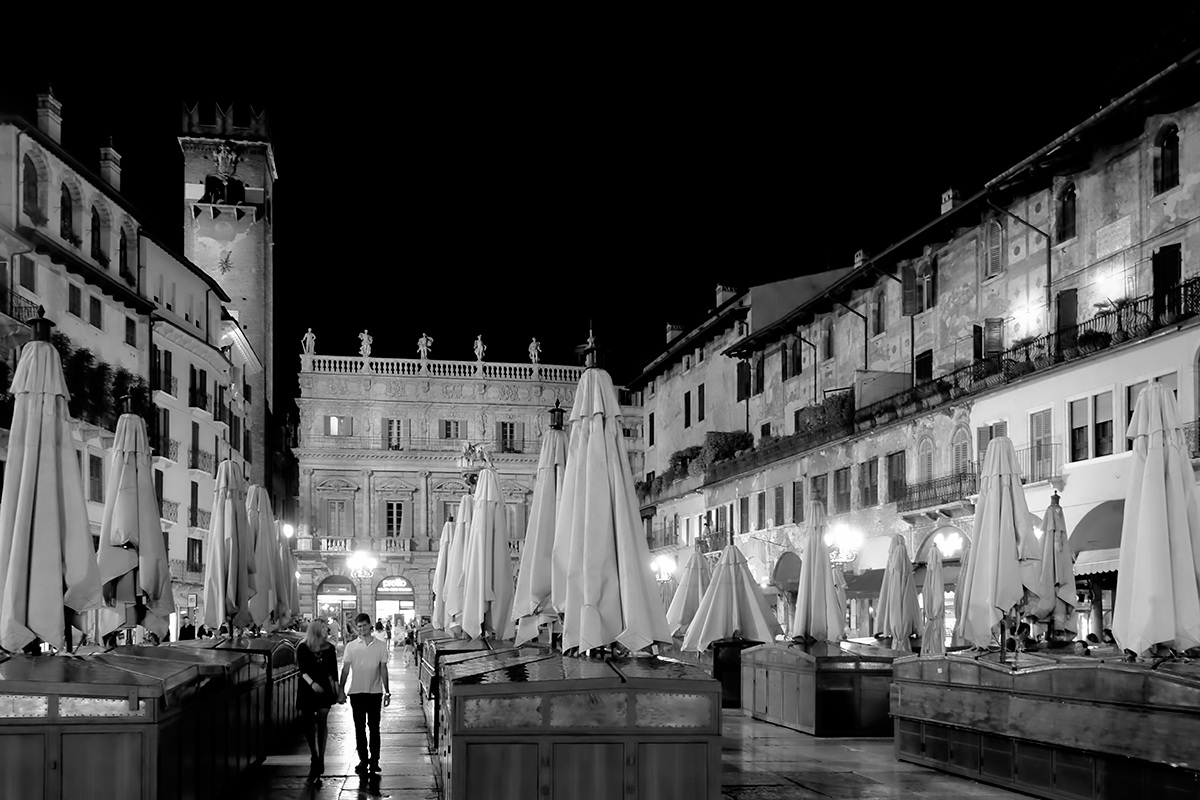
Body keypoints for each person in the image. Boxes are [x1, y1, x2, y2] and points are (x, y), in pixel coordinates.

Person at [340, 612, 390, 775]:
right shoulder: (351, 647)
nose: (361, 629)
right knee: (359, 728)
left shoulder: (381, 646)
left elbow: (383, 669)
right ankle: (363, 759)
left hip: (375, 692)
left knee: (374, 728)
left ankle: (374, 760)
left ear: (370, 625)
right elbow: (345, 669)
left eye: (364, 625)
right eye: (359, 626)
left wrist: (387, 691)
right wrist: (341, 689)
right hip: (356, 692)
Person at [298, 619, 343, 784]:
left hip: (324, 689)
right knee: (307, 721)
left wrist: (338, 691)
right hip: (307, 687)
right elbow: (302, 670)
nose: (327, 631)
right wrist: (312, 684)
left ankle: (321, 758)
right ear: (316, 629)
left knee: (322, 720)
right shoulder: (303, 648)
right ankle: (314, 756)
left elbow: (334, 673)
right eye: (324, 628)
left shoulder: (329, 648)